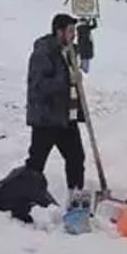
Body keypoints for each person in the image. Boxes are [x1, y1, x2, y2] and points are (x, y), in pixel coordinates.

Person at [25, 14, 87, 206]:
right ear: (59, 31)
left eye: (74, 31)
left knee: (76, 157)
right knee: (37, 162)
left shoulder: (68, 52)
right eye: (70, 31)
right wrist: (67, 80)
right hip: (46, 118)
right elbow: (39, 85)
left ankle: (75, 198)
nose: (73, 35)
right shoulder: (43, 52)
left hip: (66, 117)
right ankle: (26, 198)